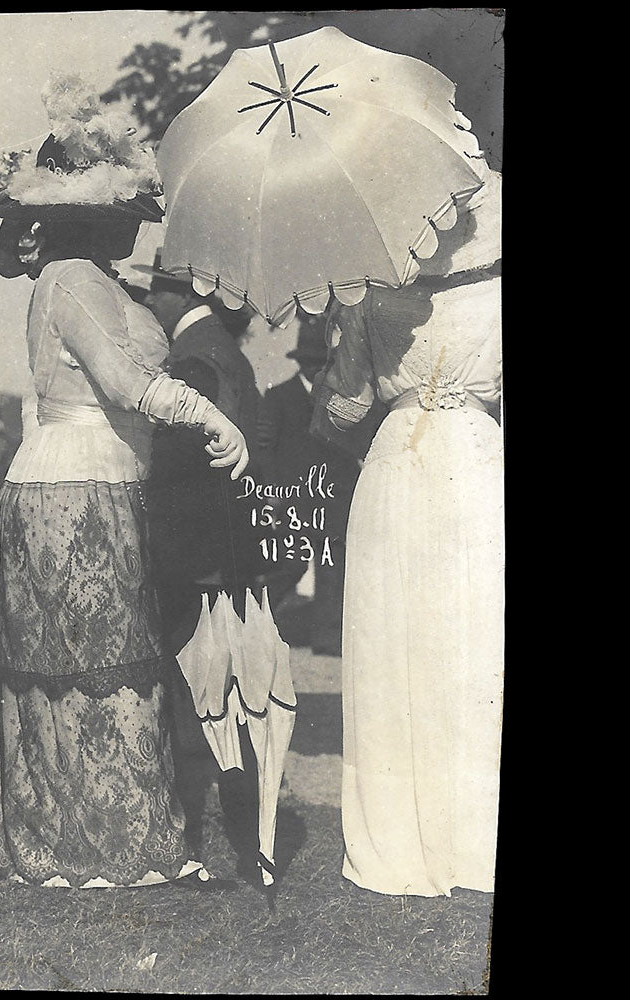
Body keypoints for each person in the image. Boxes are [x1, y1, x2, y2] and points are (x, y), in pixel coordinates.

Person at [0, 73, 250, 889]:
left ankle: (81, 841)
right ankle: (101, 849)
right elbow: (126, 384)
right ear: (94, 216)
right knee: (95, 665)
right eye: (124, 215)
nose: (132, 229)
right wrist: (213, 417)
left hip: (92, 483)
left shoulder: (87, 281)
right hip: (73, 487)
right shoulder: (74, 282)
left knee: (90, 664)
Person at [312, 165, 503, 897]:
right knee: (475, 643)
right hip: (477, 463)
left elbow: (344, 412)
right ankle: (472, 838)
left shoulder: (373, 299)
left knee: (394, 644)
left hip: (397, 467)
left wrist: (338, 357)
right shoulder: (495, 296)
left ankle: (398, 837)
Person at [129, 254, 265, 869]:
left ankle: (191, 816)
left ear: (175, 298)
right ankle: (233, 802)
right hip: (221, 540)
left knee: (190, 679)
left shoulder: (192, 360)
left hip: (188, 542)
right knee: (216, 676)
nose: (147, 306)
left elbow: (178, 460)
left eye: (152, 294)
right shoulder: (222, 347)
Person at [257, 314, 373, 655]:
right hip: (294, 501)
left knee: (332, 567)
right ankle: (256, 623)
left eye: (321, 364)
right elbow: (265, 450)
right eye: (310, 363)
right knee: (288, 565)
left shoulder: (344, 403)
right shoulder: (278, 397)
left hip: (334, 501)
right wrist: (273, 495)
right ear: (301, 363)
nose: (316, 371)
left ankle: (328, 636)